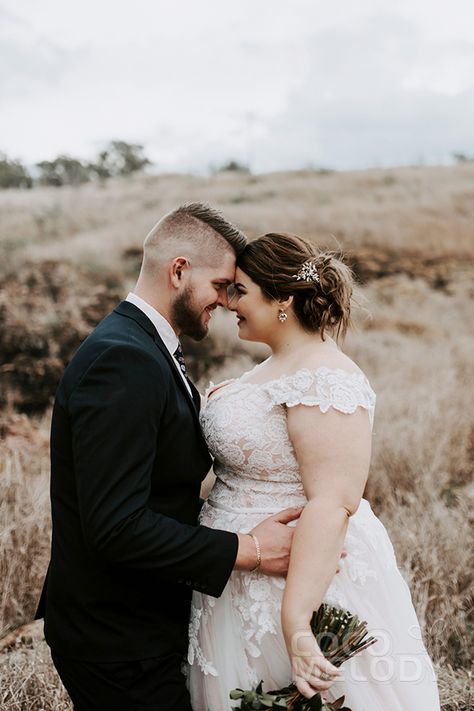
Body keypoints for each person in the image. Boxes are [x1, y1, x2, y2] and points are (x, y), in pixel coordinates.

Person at [35, 205, 304, 711]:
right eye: (222, 285)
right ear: (179, 270)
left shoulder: (145, 346)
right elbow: (116, 526)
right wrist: (249, 549)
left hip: (142, 622)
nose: (226, 302)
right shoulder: (124, 359)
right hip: (117, 639)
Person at [187, 233, 441, 710]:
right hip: (239, 573)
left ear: (282, 298)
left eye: (240, 290)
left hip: (301, 578)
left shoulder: (326, 377)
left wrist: (298, 624)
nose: (227, 302)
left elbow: (333, 501)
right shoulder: (272, 366)